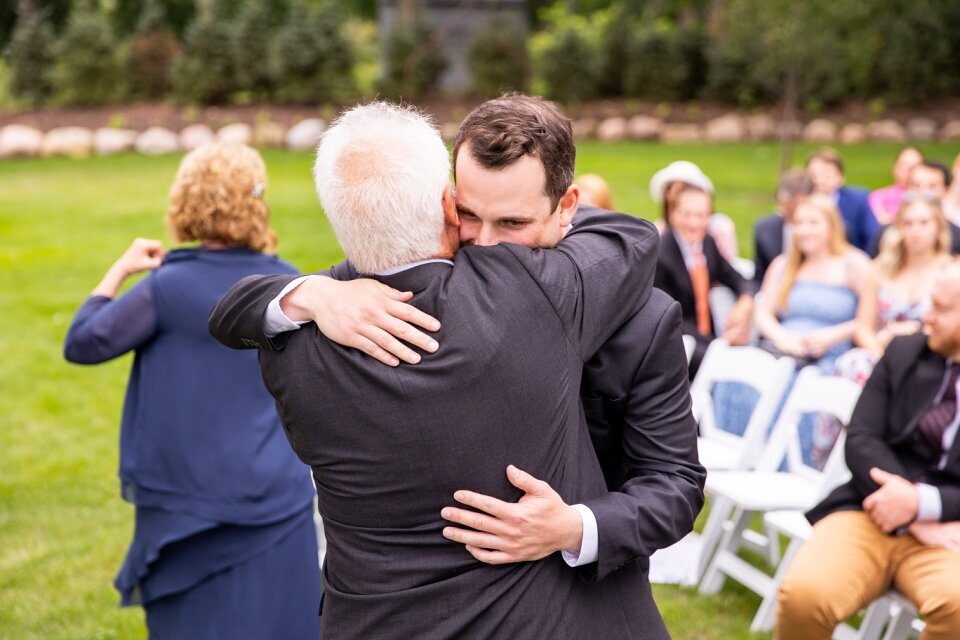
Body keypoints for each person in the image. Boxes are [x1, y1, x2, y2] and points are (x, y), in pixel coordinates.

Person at [211, 95, 704, 636]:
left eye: (512, 221)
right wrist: (312, 294)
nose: (487, 244)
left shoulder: (637, 316)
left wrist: (574, 526)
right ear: (446, 204)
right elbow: (633, 236)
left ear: (567, 208)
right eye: (470, 215)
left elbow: (675, 485)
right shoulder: (355, 305)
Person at [63, 143, 320, 638]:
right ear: (256, 204)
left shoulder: (166, 288)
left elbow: (84, 342)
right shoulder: (288, 288)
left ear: (185, 205)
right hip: (272, 488)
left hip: (185, 494)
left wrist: (121, 269)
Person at [775, 260, 960, 640]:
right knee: (804, 596)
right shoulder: (905, 351)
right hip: (868, 509)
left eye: (941, 309)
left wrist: (921, 505)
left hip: (951, 532)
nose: (927, 316)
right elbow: (861, 438)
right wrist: (907, 509)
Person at [755, 194, 870, 373]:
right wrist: (782, 337)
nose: (804, 230)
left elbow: (872, 318)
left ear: (831, 225)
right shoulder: (783, 265)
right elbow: (763, 313)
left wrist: (833, 335)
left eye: (813, 223)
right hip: (782, 351)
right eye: (798, 224)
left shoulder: (855, 264)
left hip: (829, 359)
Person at [654, 184, 753, 377]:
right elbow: (669, 318)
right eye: (687, 214)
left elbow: (738, 278)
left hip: (711, 340)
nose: (695, 223)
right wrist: (721, 344)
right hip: (678, 346)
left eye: (702, 215)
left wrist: (746, 301)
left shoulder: (706, 243)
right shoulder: (661, 255)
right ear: (672, 213)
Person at [649, 159, 741, 262]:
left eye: (682, 188)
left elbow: (728, 265)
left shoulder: (719, 227)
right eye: (670, 188)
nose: (674, 194)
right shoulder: (660, 230)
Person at [870, 160, 960, 256]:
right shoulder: (886, 234)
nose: (923, 192)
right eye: (916, 185)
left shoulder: (956, 237)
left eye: (932, 186)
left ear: (945, 190)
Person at [806, 147, 879, 253]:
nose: (819, 179)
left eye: (826, 173)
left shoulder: (858, 200)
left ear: (840, 178)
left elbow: (873, 238)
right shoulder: (803, 202)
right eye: (813, 175)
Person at [753, 169, 814, 289]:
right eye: (785, 207)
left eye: (795, 205)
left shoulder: (827, 231)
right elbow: (759, 278)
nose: (790, 214)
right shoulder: (764, 229)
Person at [868, 146, 924, 224]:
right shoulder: (878, 197)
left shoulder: (929, 197)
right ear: (894, 168)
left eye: (914, 167)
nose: (908, 170)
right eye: (904, 165)